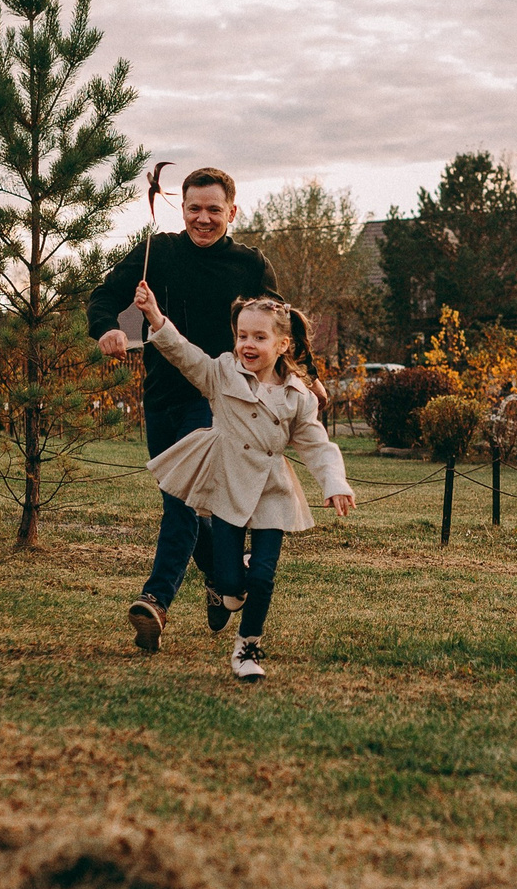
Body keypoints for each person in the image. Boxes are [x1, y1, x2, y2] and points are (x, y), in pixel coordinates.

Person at [87, 167, 281, 652]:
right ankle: (222, 577)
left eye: (214, 209)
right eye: (194, 207)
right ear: (183, 209)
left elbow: (282, 328)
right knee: (182, 497)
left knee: (182, 501)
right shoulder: (160, 252)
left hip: (218, 399)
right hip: (162, 396)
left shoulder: (250, 265)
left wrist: (306, 376)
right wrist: (108, 328)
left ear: (231, 213)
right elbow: (105, 296)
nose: (203, 218)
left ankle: (155, 600)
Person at [130, 281, 353, 681]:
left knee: (263, 577)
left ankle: (247, 648)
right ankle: (233, 578)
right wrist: (154, 316)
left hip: (272, 491)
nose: (247, 344)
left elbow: (317, 444)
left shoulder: (298, 396)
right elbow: (184, 354)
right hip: (228, 484)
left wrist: (335, 482)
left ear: (283, 344)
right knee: (231, 584)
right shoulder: (221, 373)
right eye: (241, 335)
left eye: (259, 337)